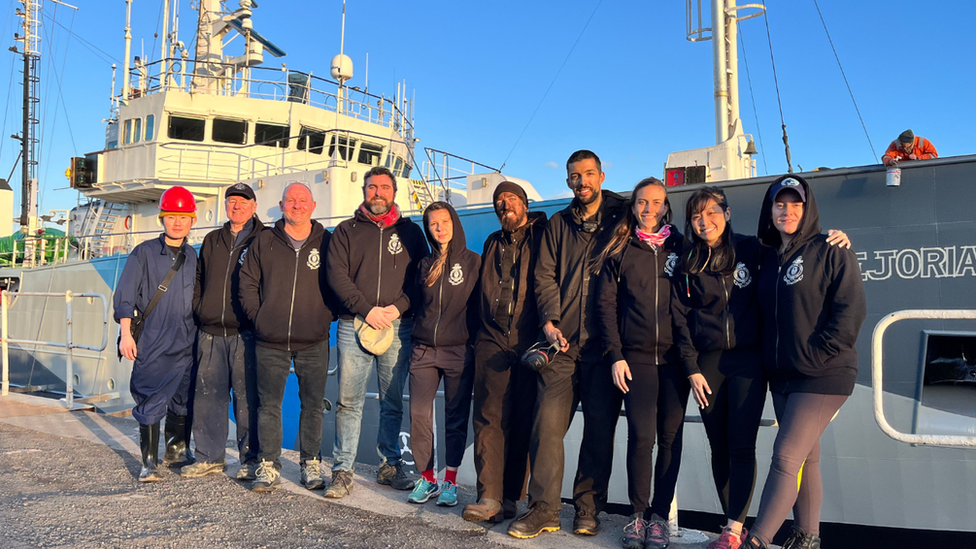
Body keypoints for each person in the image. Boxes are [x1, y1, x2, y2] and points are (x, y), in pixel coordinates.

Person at [672, 187, 852, 549]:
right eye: (695, 216)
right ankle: (738, 524)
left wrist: (834, 238)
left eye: (711, 212)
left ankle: (737, 530)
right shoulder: (687, 260)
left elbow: (797, 251)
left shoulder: (753, 250)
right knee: (718, 447)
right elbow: (679, 317)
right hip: (707, 365)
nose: (704, 221)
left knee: (742, 447)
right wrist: (690, 366)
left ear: (727, 212)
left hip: (750, 362)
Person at [742, 175, 866, 549]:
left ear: (807, 207)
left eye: (795, 203)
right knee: (806, 459)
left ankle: (758, 540)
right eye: (780, 204)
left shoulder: (831, 249)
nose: (788, 210)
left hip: (824, 374)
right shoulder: (767, 256)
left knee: (785, 456)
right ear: (771, 210)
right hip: (783, 375)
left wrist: (818, 354)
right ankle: (808, 536)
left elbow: (851, 310)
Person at [507, 150, 626, 539]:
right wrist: (550, 321)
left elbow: (659, 225)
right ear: (568, 181)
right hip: (562, 345)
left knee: (598, 430)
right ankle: (544, 508)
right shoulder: (558, 224)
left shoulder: (620, 218)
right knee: (546, 428)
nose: (582, 182)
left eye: (588, 174)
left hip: (605, 347)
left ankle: (588, 508)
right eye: (575, 176)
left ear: (602, 176)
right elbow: (544, 276)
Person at [325, 166, 429, 498]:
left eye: (384, 187)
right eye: (372, 187)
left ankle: (389, 465)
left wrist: (397, 307)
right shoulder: (346, 230)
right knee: (348, 401)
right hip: (353, 323)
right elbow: (337, 275)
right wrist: (366, 308)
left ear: (394, 193)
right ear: (364, 191)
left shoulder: (412, 233)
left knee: (391, 401)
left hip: (398, 326)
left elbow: (422, 278)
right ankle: (343, 470)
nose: (378, 193)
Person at [595, 177, 686, 549]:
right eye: (642, 203)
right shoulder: (620, 249)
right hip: (635, 359)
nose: (649, 209)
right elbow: (606, 305)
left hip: (677, 361)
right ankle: (637, 515)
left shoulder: (682, 247)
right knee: (641, 437)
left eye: (656, 203)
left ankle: (660, 518)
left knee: (670, 439)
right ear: (633, 207)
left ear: (666, 207)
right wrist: (615, 355)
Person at [238, 182, 334, 492]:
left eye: (302, 200)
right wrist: (260, 319)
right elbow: (248, 283)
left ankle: (310, 464)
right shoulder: (264, 241)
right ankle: (268, 465)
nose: (296, 205)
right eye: (290, 200)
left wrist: (324, 316)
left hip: (314, 340)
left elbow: (340, 282)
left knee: (313, 405)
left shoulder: (328, 242)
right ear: (281, 206)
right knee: (268, 405)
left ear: (313, 206)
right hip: (270, 340)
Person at [462, 182, 547, 524]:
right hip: (492, 340)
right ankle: (490, 496)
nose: (504, 204)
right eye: (499, 201)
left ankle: (512, 497)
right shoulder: (492, 242)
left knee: (524, 421)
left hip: (529, 339)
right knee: (488, 418)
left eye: (510, 198)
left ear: (524, 204)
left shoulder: (542, 237)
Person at [114, 186, 198, 482]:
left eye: (184, 217)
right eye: (172, 216)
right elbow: (125, 295)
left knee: (182, 399)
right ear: (163, 218)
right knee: (149, 397)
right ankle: (148, 463)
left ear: (192, 220)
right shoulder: (145, 253)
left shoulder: (193, 256)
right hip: (153, 340)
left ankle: (176, 452)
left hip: (186, 341)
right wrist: (126, 334)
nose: (178, 222)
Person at [181, 182, 264, 480]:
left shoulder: (264, 239)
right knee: (208, 396)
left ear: (254, 206)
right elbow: (199, 277)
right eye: (232, 201)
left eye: (243, 201)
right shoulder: (213, 239)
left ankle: (251, 459)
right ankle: (209, 457)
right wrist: (199, 307)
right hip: (211, 330)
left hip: (246, 333)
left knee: (247, 399)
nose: (236, 206)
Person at [405, 202, 481, 506]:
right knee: (418, 416)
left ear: (455, 222)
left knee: (455, 417)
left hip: (458, 351)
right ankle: (427, 479)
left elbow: (480, 307)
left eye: (445, 221)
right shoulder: (423, 265)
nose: (440, 228)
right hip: (423, 349)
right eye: (434, 224)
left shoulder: (473, 263)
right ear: (428, 228)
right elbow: (412, 301)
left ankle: (450, 482)